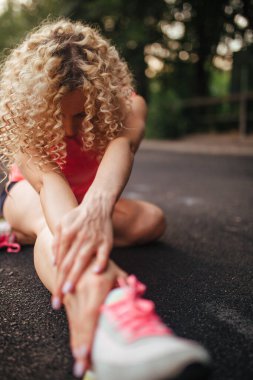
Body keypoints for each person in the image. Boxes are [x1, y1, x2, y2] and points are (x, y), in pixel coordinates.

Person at [0, 19, 210, 380]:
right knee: (52, 226)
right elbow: (50, 182)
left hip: (83, 198)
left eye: (80, 116)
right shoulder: (21, 117)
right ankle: (110, 315)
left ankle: (14, 235)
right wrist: (96, 269)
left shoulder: (130, 106)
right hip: (31, 193)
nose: (68, 131)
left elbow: (122, 145)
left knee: (151, 221)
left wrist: (97, 207)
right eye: (58, 116)